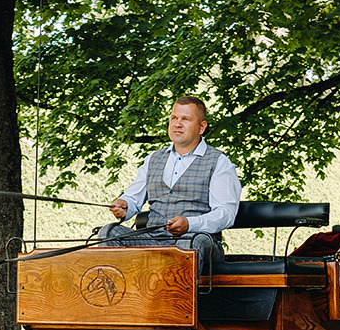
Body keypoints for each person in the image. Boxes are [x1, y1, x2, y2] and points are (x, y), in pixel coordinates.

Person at [100, 95, 241, 273]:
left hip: (199, 240)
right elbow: (132, 199)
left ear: (202, 127)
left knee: (186, 244)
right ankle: (121, 296)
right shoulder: (153, 159)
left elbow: (225, 214)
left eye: (185, 119)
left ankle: (174, 300)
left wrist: (190, 224)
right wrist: (124, 205)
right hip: (152, 239)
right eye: (174, 118)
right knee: (108, 233)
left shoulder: (219, 162)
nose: (177, 124)